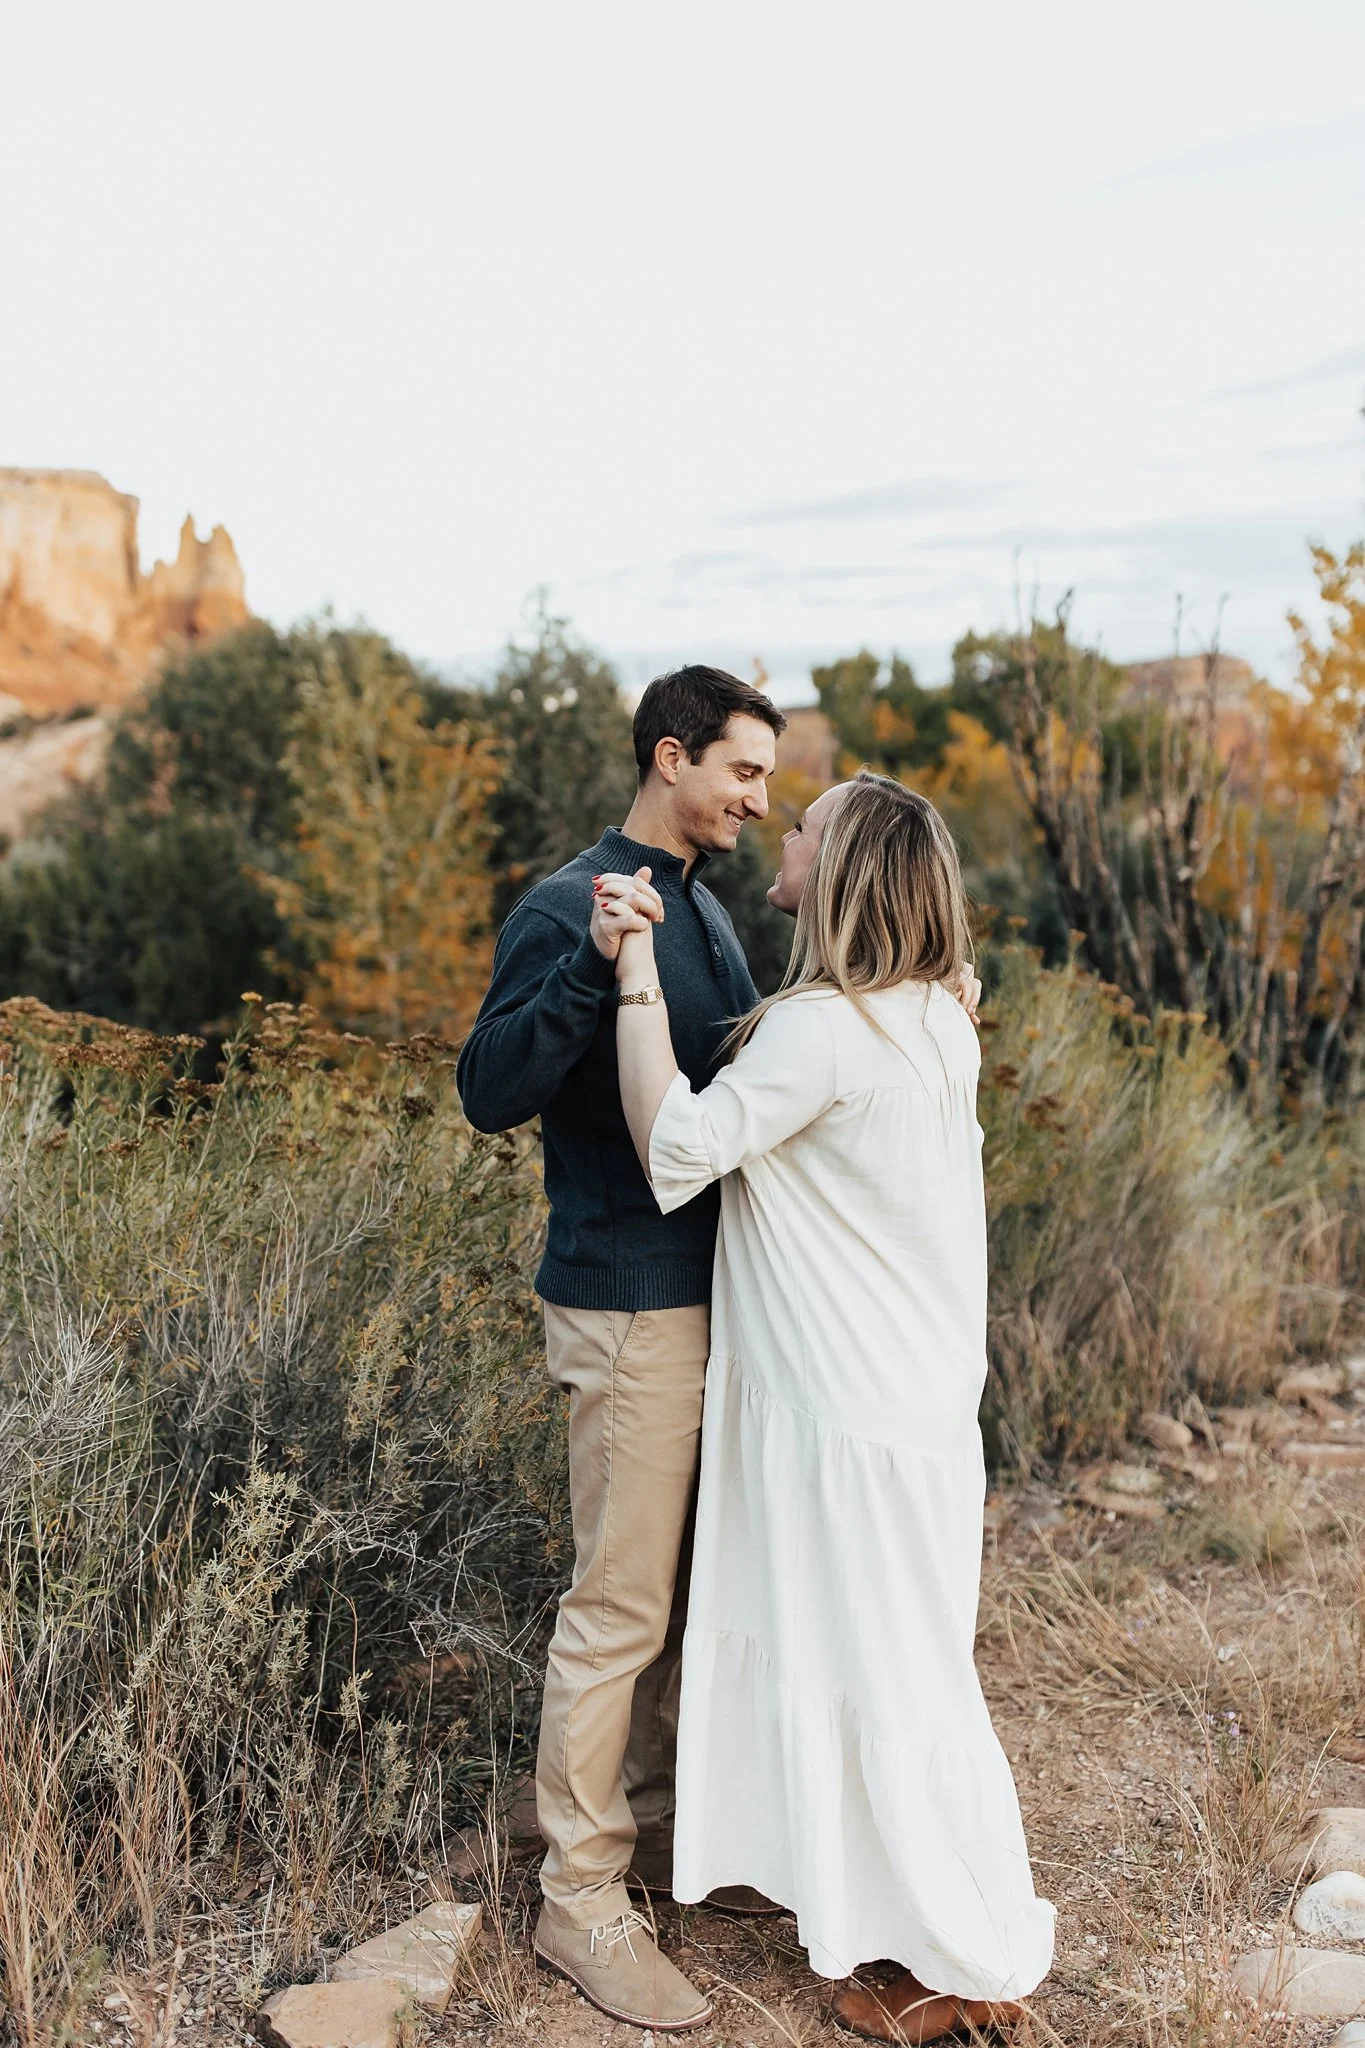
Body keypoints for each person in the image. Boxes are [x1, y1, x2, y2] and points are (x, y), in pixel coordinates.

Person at [593, 771, 1055, 2045]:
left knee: (879, 1673)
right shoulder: (932, 1019)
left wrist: (632, 970)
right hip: (906, 1407)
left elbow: (678, 1150)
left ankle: (948, 1954)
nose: (781, 830)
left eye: (803, 824)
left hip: (838, 1411)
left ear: (838, 867)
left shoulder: (831, 1028)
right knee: (890, 1660)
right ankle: (869, 1906)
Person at [455, 664, 788, 2033]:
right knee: (617, 1609)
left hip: (712, 1301)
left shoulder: (707, 907)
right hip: (625, 1303)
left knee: (679, 1601)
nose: (758, 799)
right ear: (672, 758)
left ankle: (650, 1840)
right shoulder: (566, 903)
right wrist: (595, 971)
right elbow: (490, 1089)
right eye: (743, 772)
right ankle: (577, 1904)